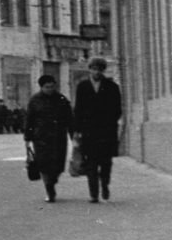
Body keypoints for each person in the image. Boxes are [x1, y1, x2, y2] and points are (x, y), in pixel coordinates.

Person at [74, 57, 123, 203]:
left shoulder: (112, 86)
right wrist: (77, 130)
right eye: (93, 69)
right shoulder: (82, 86)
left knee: (106, 162)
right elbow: (78, 110)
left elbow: (117, 109)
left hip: (106, 132)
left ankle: (105, 185)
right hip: (88, 132)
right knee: (91, 164)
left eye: (99, 69)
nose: (96, 72)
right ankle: (94, 193)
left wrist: (109, 121)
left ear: (103, 70)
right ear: (89, 69)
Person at [24, 75, 74, 203]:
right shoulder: (35, 100)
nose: (50, 89)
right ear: (41, 87)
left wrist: (73, 135)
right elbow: (29, 120)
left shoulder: (62, 99)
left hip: (59, 137)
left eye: (52, 86)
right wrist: (27, 138)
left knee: (58, 166)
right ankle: (50, 190)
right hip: (41, 138)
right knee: (44, 165)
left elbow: (70, 119)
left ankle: (53, 180)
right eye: (47, 87)